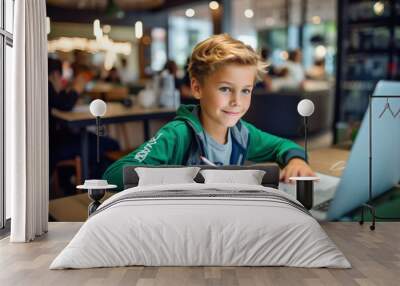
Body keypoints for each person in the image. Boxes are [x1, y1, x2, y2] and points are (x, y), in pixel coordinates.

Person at [103, 34, 315, 191]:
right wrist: (179, 179)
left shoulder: (243, 134)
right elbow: (113, 175)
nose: (236, 101)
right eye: (225, 89)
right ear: (197, 88)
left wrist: (296, 160)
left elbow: (284, 146)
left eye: (245, 91)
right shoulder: (178, 134)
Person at [48, 58, 120, 189]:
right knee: (109, 144)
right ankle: (100, 188)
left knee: (92, 140)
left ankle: (71, 185)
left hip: (53, 141)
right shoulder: (47, 86)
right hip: (54, 146)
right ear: (55, 75)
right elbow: (65, 104)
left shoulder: (41, 87)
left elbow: (60, 100)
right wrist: (77, 88)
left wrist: (71, 91)